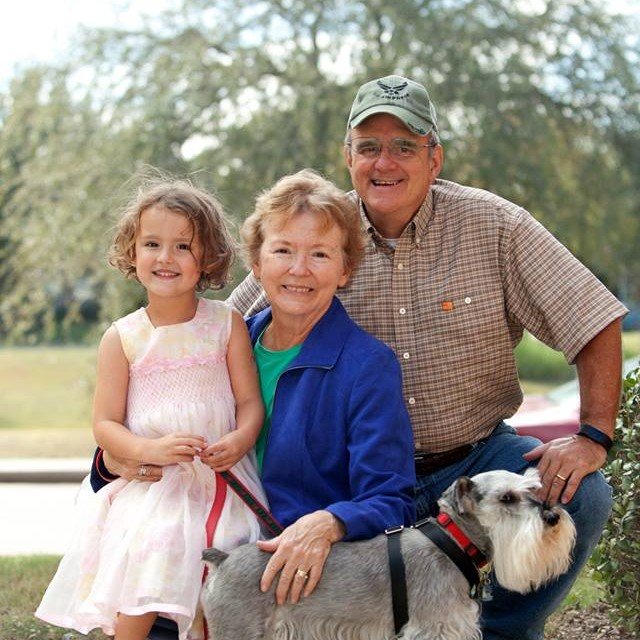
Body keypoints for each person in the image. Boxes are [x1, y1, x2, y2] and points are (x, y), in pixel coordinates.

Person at [228, 75, 628, 640]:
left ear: (434, 157)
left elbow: (591, 317)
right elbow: (224, 332)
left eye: (404, 146)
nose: (384, 162)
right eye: (368, 147)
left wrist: (593, 435)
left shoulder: (496, 226)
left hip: (475, 458)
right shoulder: (319, 235)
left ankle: (494, 632)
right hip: (356, 476)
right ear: (348, 158)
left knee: (580, 495)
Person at [90, 169, 416, 637]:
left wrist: (328, 523)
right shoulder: (220, 340)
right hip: (187, 562)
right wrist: (117, 460)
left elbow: (391, 500)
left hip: (289, 589)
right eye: (282, 250)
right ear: (257, 263)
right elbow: (138, 421)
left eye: (319, 254)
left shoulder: (366, 366)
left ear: (344, 269)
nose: (298, 269)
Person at [36, 178, 268, 640]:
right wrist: (149, 449)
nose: (166, 257)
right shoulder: (123, 337)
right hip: (156, 483)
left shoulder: (226, 325)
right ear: (132, 251)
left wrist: (239, 439)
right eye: (152, 244)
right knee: (157, 546)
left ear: (207, 258)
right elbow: (104, 423)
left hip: (220, 476)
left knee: (229, 553)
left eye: (183, 245)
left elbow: (249, 403)